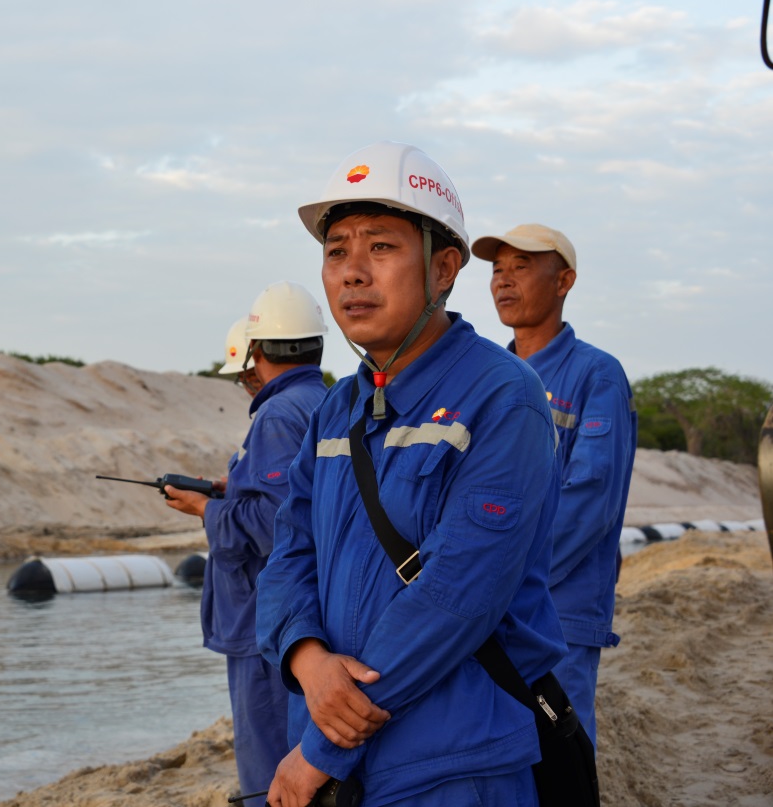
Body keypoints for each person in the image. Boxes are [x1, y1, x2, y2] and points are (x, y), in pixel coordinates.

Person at [256, 141, 568, 807]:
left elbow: (457, 593)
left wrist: (321, 748)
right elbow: (289, 553)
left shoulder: (502, 396)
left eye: (381, 247)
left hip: (451, 765)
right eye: (336, 251)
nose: (352, 273)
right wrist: (306, 657)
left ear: (443, 267)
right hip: (338, 758)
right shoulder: (337, 408)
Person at [472, 223, 637, 746]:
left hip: (558, 611)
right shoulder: (487, 377)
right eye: (497, 269)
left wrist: (507, 574)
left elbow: (591, 501)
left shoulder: (597, 375)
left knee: (560, 757)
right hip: (485, 603)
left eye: (521, 267)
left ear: (564, 281)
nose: (503, 280)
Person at [164, 282, 329, 799]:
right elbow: (300, 497)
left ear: (256, 352)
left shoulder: (278, 414)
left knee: (268, 764)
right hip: (305, 611)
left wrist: (205, 509)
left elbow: (277, 521)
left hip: (266, 619)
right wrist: (230, 487)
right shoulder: (324, 400)